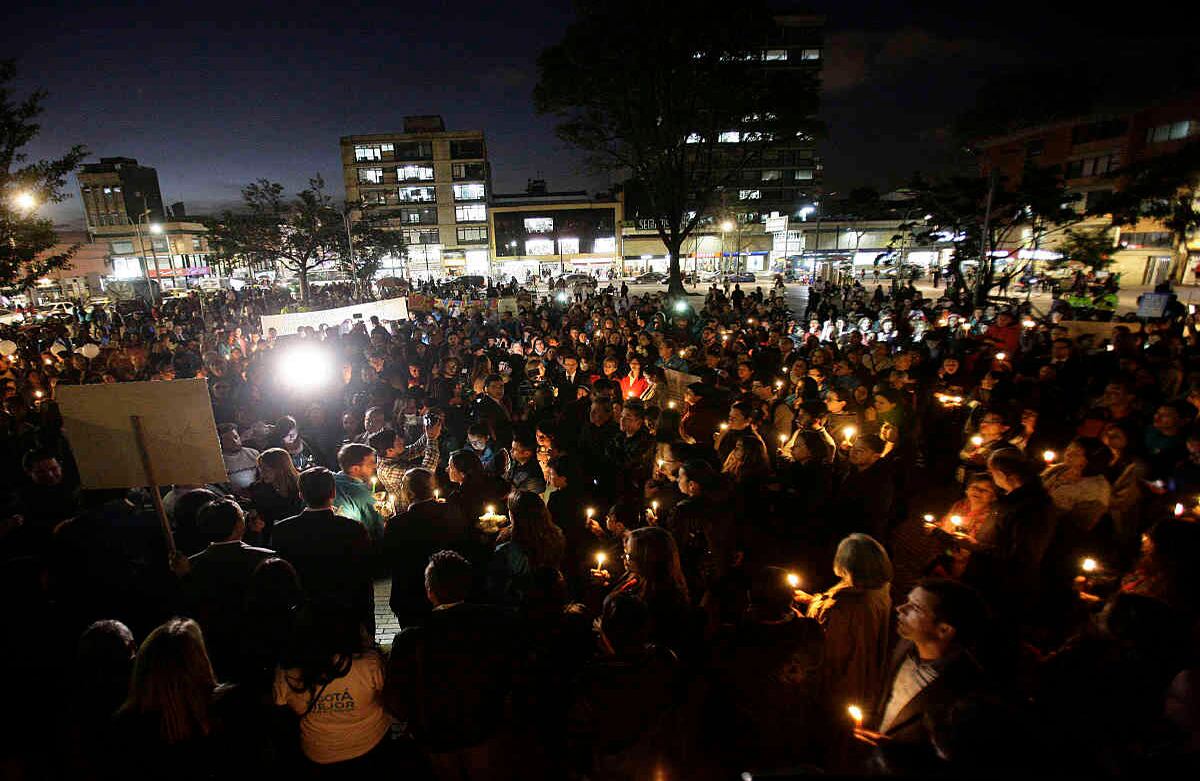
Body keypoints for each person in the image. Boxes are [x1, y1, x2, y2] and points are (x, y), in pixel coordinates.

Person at [385, 550, 517, 779]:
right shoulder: (497, 621)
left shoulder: (410, 639)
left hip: (436, 735)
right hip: (483, 726)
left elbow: (395, 699)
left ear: (429, 591)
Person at [859, 578, 988, 774]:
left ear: (944, 630)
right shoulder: (905, 646)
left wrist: (899, 755)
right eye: (907, 601)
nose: (900, 609)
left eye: (916, 608)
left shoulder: (968, 690)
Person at [707, 567, 826, 773]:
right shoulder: (810, 632)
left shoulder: (732, 638)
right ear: (790, 598)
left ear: (751, 598)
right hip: (795, 734)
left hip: (746, 740)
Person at [274, 607, 395, 770]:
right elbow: (389, 697)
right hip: (371, 741)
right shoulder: (369, 663)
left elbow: (281, 706)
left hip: (319, 751)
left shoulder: (287, 671)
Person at [177, 498, 275, 677]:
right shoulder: (265, 558)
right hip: (257, 641)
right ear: (239, 525)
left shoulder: (191, 566)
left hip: (213, 645)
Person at [800, 534, 893, 713]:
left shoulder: (845, 606)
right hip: (865, 679)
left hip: (840, 686)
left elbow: (826, 650)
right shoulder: (878, 591)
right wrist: (813, 600)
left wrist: (801, 620)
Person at [273, 467, 374, 631]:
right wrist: (367, 624)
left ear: (301, 494)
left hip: (304, 613)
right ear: (333, 493)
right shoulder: (352, 528)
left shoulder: (282, 530)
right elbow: (363, 576)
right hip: (345, 612)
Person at [384, 467, 472, 626]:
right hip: (447, 590)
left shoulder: (396, 523)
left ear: (408, 493)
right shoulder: (452, 512)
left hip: (410, 596)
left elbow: (388, 560)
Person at [488, 490, 566, 606]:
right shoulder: (556, 536)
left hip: (519, 606)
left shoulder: (507, 549)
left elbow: (496, 587)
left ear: (514, 515)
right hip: (552, 601)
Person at [244, 448, 304, 546]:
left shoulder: (300, 485)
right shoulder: (258, 489)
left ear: (281, 469)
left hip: (298, 535)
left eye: (266, 469)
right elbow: (254, 514)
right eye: (260, 469)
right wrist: (254, 521)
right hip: (271, 539)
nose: (262, 473)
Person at [332, 443, 385, 541]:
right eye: (371, 463)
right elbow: (377, 529)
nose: (375, 466)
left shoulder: (330, 480)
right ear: (355, 469)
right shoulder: (362, 495)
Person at [218, 423, 260, 491]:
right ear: (220, 442)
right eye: (228, 440)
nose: (234, 441)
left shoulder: (253, 453)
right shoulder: (218, 461)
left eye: (236, 437)